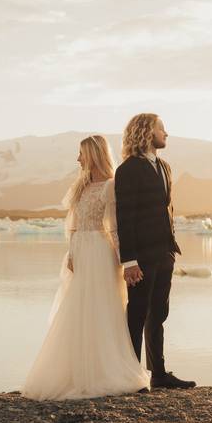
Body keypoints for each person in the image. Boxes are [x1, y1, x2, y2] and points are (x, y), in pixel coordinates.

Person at [22, 135, 150, 400]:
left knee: (104, 308)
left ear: (93, 154)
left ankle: (105, 371)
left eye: (81, 153)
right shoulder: (80, 186)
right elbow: (73, 223)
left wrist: (125, 260)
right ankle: (78, 371)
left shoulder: (111, 185)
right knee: (80, 307)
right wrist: (71, 252)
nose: (78, 158)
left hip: (100, 251)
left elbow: (114, 226)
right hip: (81, 248)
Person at [116, 113, 195, 389]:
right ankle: (129, 375)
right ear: (146, 132)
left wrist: (171, 248)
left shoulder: (165, 166)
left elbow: (167, 209)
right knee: (137, 313)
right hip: (141, 256)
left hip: (165, 252)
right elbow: (125, 218)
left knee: (159, 314)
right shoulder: (127, 170)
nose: (167, 133)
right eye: (162, 128)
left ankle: (158, 374)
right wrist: (129, 261)